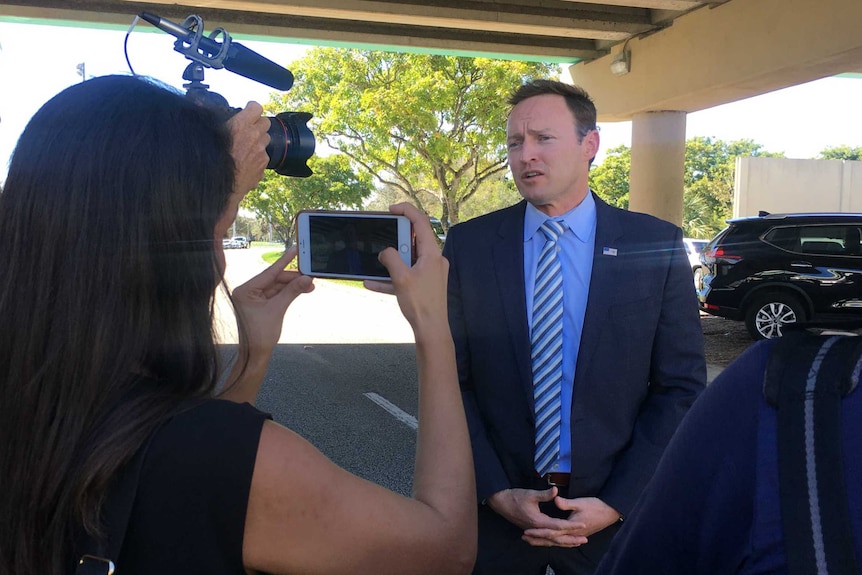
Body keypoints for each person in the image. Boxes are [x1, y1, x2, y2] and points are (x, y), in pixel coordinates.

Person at [0, 75, 476, 575]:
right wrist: (433, 327)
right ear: (168, 253)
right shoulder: (240, 465)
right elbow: (447, 549)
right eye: (222, 229)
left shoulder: (39, 397)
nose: (220, 260)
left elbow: (167, 468)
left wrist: (251, 359)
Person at [442, 78, 706, 574]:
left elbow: (680, 387)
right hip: (496, 516)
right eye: (515, 143)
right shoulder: (470, 245)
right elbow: (452, 381)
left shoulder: (655, 244)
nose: (526, 156)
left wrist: (618, 501)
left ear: (591, 144)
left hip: (613, 517)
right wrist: (495, 491)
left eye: (543, 138)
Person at [593, 332, 862, 574]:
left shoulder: (778, 389)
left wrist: (617, 501)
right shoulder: (777, 390)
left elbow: (680, 386)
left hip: (601, 523)